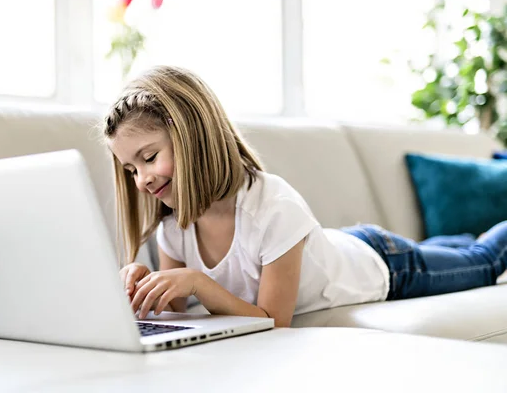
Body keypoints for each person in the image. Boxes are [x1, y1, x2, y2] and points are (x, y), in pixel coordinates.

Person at [102, 65, 507, 327]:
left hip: (386, 264)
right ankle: (451, 242)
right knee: (454, 248)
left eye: (149, 157)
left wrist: (195, 282)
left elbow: (273, 322)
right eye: (131, 169)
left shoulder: (272, 206)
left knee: (483, 262)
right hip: (337, 247)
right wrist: (148, 289)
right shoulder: (173, 227)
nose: (141, 180)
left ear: (191, 135)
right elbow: (177, 316)